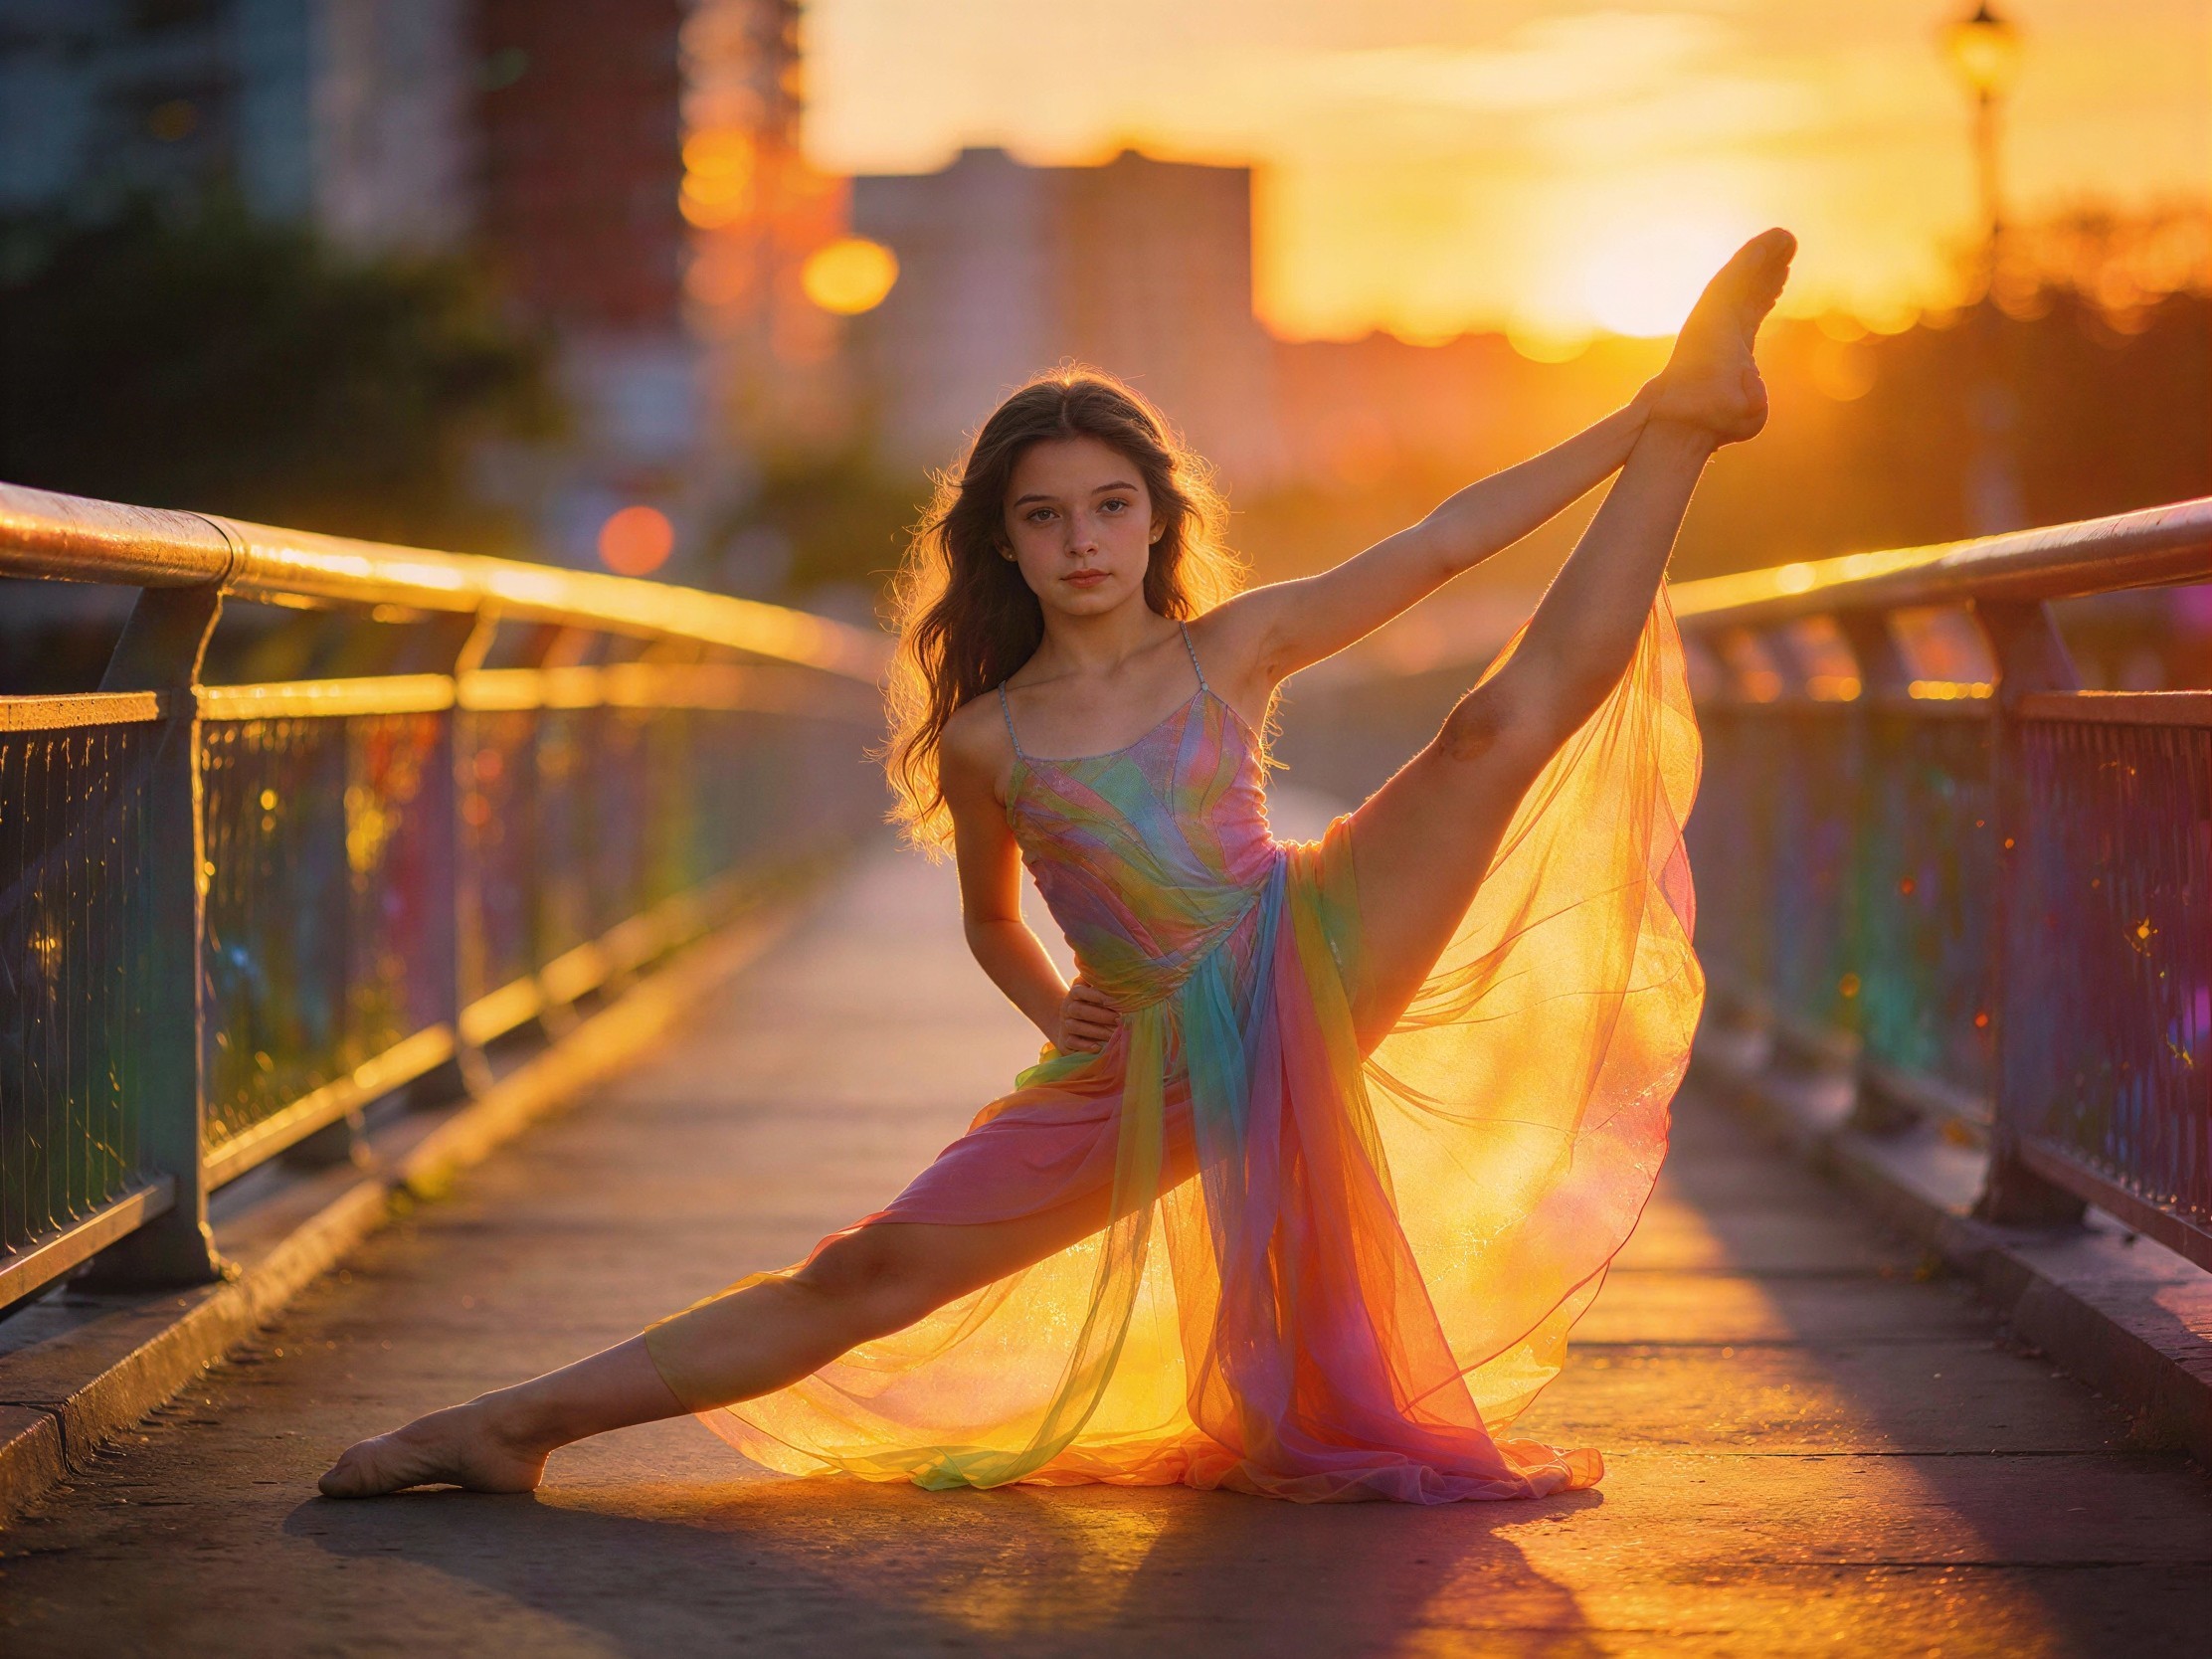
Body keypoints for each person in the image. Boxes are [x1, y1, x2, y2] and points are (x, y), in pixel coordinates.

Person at [322, 229, 1795, 1505]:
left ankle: (1690, 423)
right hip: (1134, 1044)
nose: (1081, 538)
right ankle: (510, 1424)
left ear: (1155, 520)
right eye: (1043, 514)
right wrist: (1056, 1020)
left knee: (1493, 729)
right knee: (863, 1279)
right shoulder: (988, 742)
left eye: (1107, 505)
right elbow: (989, 922)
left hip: (1306, 937)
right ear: (1004, 547)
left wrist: (1635, 415)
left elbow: (1442, 539)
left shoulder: (1235, 648)